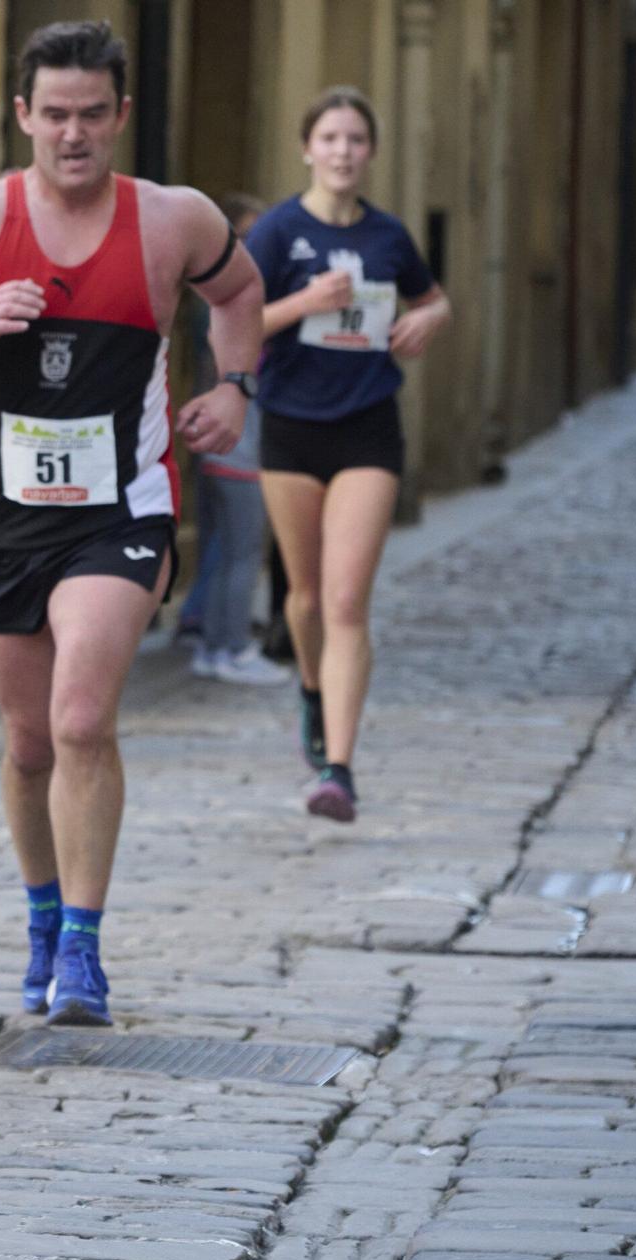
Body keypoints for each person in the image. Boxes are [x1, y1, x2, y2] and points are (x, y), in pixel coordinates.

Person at [0, 20, 263, 1026]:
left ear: (121, 116)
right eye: (54, 115)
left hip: (120, 512)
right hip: (4, 516)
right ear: (22, 117)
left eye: (93, 114)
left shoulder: (170, 219)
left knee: (81, 716)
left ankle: (84, 951)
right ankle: (43, 917)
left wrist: (236, 391)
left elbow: (240, 292)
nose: (74, 133)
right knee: (27, 739)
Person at [248, 86, 451, 823]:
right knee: (303, 598)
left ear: (371, 152)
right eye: (329, 138)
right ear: (307, 148)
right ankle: (311, 686)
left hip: (368, 426)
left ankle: (338, 766)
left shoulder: (388, 238)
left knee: (345, 600)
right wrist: (304, 303)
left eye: (355, 140)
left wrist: (429, 320)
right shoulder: (276, 234)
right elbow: (233, 325)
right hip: (292, 429)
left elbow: (432, 298)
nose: (342, 151)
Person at [178, 193, 289, 687]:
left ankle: (214, 644)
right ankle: (231, 647)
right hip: (236, 446)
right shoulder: (225, 304)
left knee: (226, 548)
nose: (253, 248)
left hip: (226, 444)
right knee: (242, 550)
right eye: (245, 238)